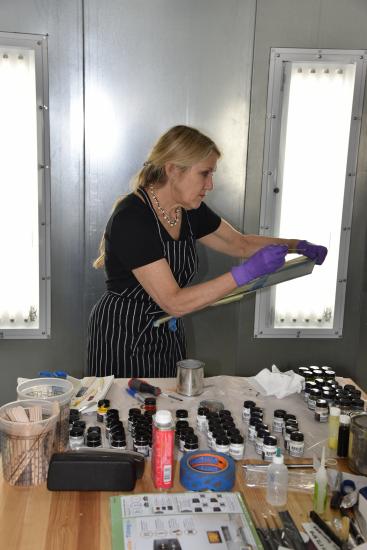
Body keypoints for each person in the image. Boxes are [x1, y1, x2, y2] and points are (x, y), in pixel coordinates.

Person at [87, 125, 327, 378]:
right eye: (205, 173)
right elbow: (174, 301)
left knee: (167, 405)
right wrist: (245, 273)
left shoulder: (189, 210)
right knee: (124, 413)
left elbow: (240, 244)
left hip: (166, 329)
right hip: (123, 333)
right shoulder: (132, 218)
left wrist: (295, 245)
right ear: (172, 169)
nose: (210, 184)